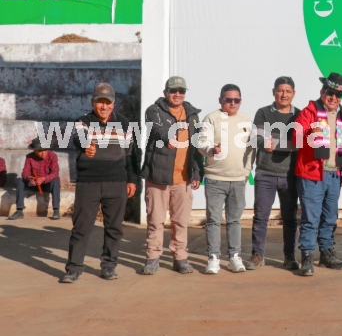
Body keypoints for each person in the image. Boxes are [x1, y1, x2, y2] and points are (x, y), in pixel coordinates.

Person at [61, 83, 138, 284]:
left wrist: (132, 180)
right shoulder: (83, 122)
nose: (104, 106)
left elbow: (130, 155)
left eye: (108, 102)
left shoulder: (124, 123)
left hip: (117, 183)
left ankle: (109, 266)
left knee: (114, 228)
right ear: (92, 102)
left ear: (114, 103)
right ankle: (74, 269)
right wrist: (87, 146)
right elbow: (79, 138)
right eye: (100, 102)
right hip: (89, 183)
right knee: (81, 227)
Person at [292, 73, 342, 276]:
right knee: (311, 219)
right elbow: (295, 138)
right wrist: (309, 135)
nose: (333, 97)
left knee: (330, 217)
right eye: (330, 93)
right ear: (322, 92)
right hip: (312, 173)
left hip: (335, 173)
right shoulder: (309, 112)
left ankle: (327, 254)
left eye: (338, 95)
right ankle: (307, 256)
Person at [139, 76, 203, 275]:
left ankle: (180, 258)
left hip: (183, 179)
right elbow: (156, 128)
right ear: (165, 92)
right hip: (158, 177)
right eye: (173, 90)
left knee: (181, 222)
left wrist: (197, 172)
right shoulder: (154, 110)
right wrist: (168, 137)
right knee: (155, 221)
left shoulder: (192, 115)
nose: (177, 94)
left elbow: (195, 147)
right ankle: (152, 258)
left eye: (181, 91)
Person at [198, 83, 255, 274]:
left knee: (234, 220)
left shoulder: (246, 120)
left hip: (238, 180)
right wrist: (211, 150)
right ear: (220, 100)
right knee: (213, 220)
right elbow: (201, 144)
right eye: (228, 99)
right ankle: (213, 258)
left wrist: (246, 171)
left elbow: (251, 149)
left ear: (240, 101)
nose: (232, 103)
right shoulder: (211, 118)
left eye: (236, 100)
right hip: (215, 179)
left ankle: (234, 257)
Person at [246, 76, 302, 271]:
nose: (284, 94)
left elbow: (301, 143)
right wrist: (267, 141)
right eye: (280, 90)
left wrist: (275, 141)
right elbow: (257, 138)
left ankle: (289, 256)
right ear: (274, 92)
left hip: (290, 176)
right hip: (265, 174)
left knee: (290, 218)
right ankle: (257, 254)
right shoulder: (263, 113)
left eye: (288, 91)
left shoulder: (299, 115)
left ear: (293, 94)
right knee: (261, 217)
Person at [7, 137, 62, 221]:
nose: (43, 153)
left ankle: (56, 210)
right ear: (35, 151)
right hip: (34, 184)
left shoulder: (52, 156)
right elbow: (24, 173)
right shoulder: (29, 157)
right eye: (40, 151)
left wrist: (44, 179)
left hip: (47, 184)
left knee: (56, 181)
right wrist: (29, 178)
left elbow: (55, 173)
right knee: (20, 181)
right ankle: (19, 211)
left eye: (45, 150)